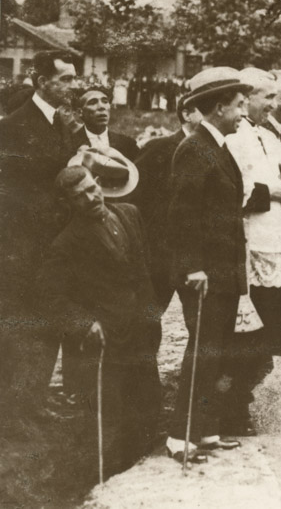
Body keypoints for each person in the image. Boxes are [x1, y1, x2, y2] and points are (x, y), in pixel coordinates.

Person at [37, 166, 161, 476]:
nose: (91, 198)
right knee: (110, 413)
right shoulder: (65, 243)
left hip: (141, 327)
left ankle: (145, 472)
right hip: (107, 340)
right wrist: (84, 323)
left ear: (100, 183)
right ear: (69, 202)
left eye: (93, 189)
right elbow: (51, 297)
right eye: (80, 197)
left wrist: (152, 314)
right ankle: (108, 480)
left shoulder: (129, 213)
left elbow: (144, 267)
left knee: (148, 400)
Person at [164, 67, 251, 464]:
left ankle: (205, 428)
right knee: (202, 350)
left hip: (224, 273)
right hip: (204, 274)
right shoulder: (195, 148)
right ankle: (180, 436)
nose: (244, 112)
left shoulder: (218, 147)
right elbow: (182, 216)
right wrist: (193, 267)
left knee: (216, 351)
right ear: (218, 109)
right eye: (239, 105)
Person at [0, 50, 80, 418]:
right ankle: (17, 408)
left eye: (74, 78)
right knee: (25, 325)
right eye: (66, 79)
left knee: (50, 320)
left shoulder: (60, 123)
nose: (74, 85)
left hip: (56, 243)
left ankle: (34, 398)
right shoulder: (15, 126)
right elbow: (17, 193)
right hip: (27, 245)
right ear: (43, 81)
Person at [222, 67, 281, 436]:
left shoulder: (273, 138)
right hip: (251, 248)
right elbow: (229, 193)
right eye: (266, 97)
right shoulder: (234, 139)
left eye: (274, 97)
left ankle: (261, 403)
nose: (272, 104)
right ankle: (234, 410)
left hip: (278, 246)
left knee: (271, 331)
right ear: (246, 97)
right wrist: (271, 193)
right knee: (246, 335)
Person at [132, 99, 204, 328]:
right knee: (147, 322)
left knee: (200, 327)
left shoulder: (214, 151)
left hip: (195, 257)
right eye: (206, 109)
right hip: (160, 254)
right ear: (186, 114)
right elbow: (135, 198)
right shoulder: (159, 148)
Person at [70, 86, 139, 161]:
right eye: (92, 102)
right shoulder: (69, 145)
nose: (101, 107)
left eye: (105, 102)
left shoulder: (127, 144)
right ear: (80, 112)